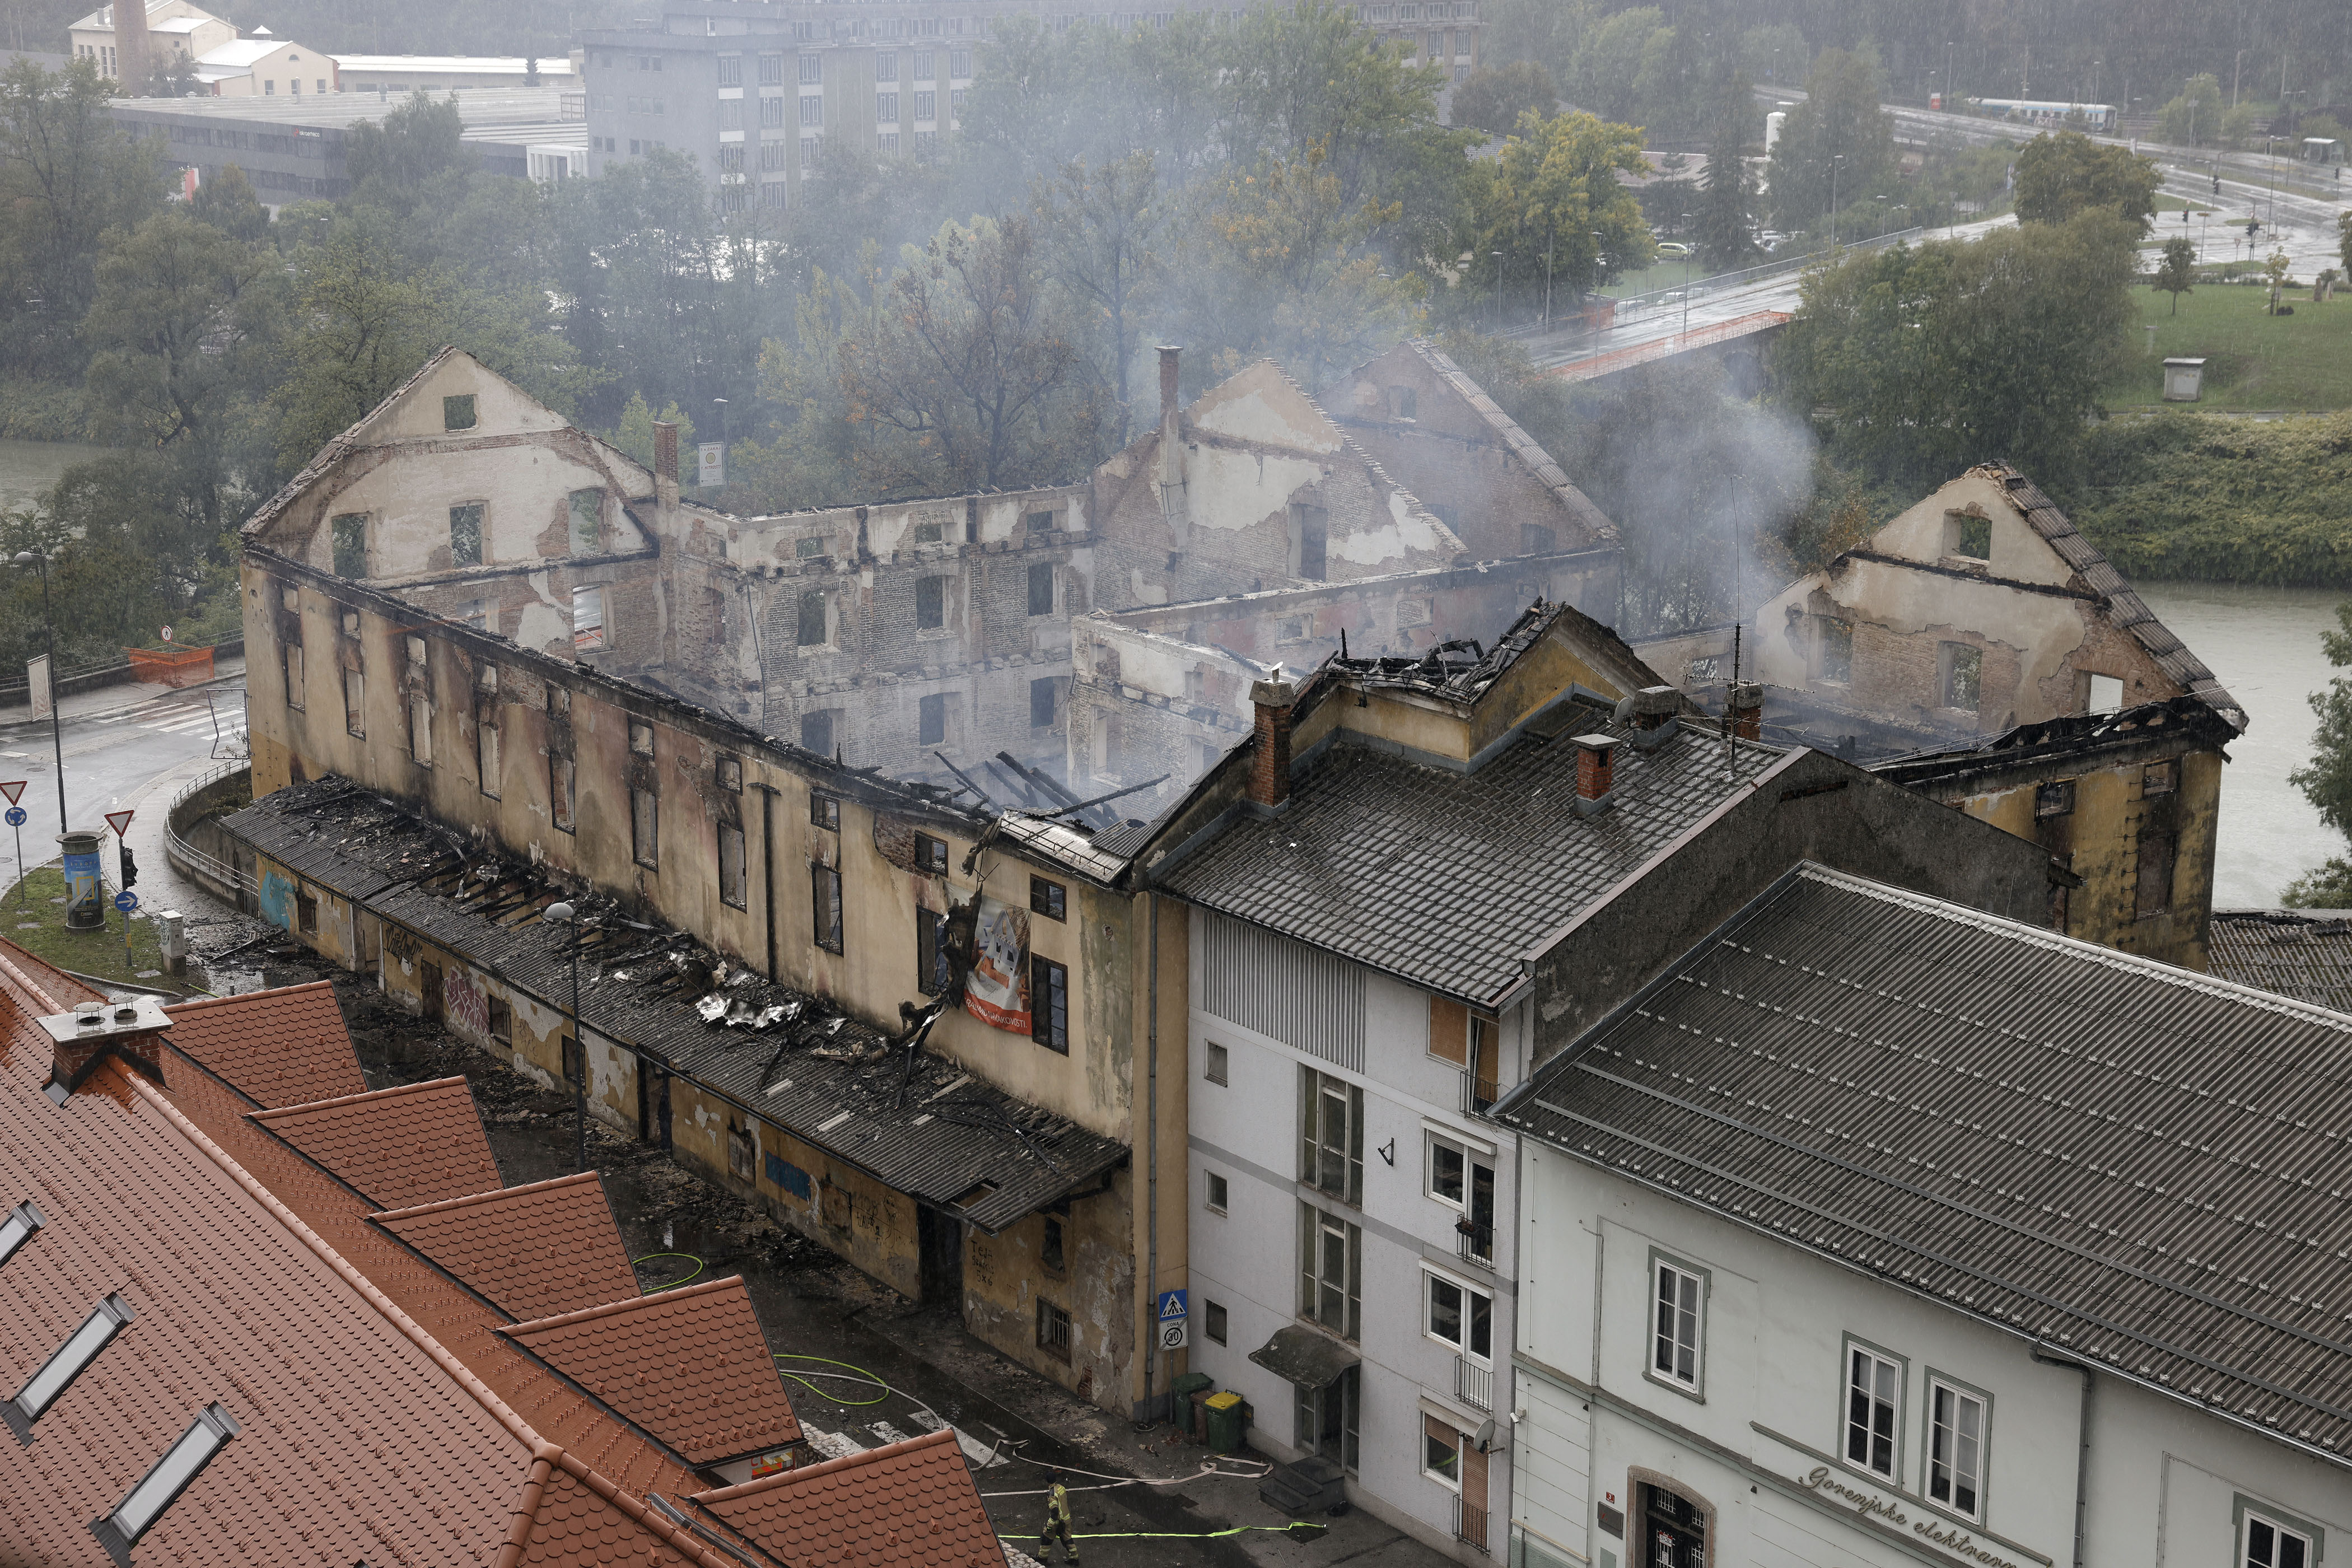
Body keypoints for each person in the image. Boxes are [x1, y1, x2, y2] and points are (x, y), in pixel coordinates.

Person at [1038, 1472, 1077, 1564]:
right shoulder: (1061, 1488)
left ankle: (1042, 1559)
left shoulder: (1052, 1494)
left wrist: (1049, 1525)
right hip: (1066, 1519)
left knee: (1046, 1538)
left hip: (1058, 1521)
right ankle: (1075, 1559)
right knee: (1067, 1539)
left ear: (1048, 1481)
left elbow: (1055, 1511)